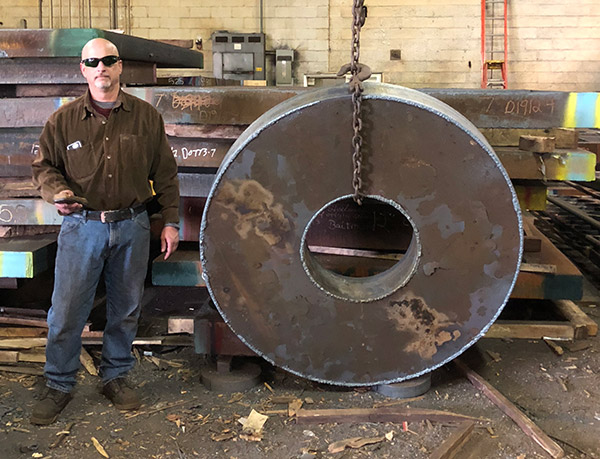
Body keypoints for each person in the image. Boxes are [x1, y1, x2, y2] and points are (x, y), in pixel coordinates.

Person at [30, 38, 180, 425]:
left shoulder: (146, 117)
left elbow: (165, 174)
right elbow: (44, 167)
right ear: (83, 69)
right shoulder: (62, 122)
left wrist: (171, 221)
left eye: (109, 61)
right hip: (82, 228)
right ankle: (59, 383)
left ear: (119, 68)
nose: (101, 68)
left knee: (126, 309)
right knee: (66, 312)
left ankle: (116, 376)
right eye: (93, 61)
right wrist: (56, 193)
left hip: (133, 225)